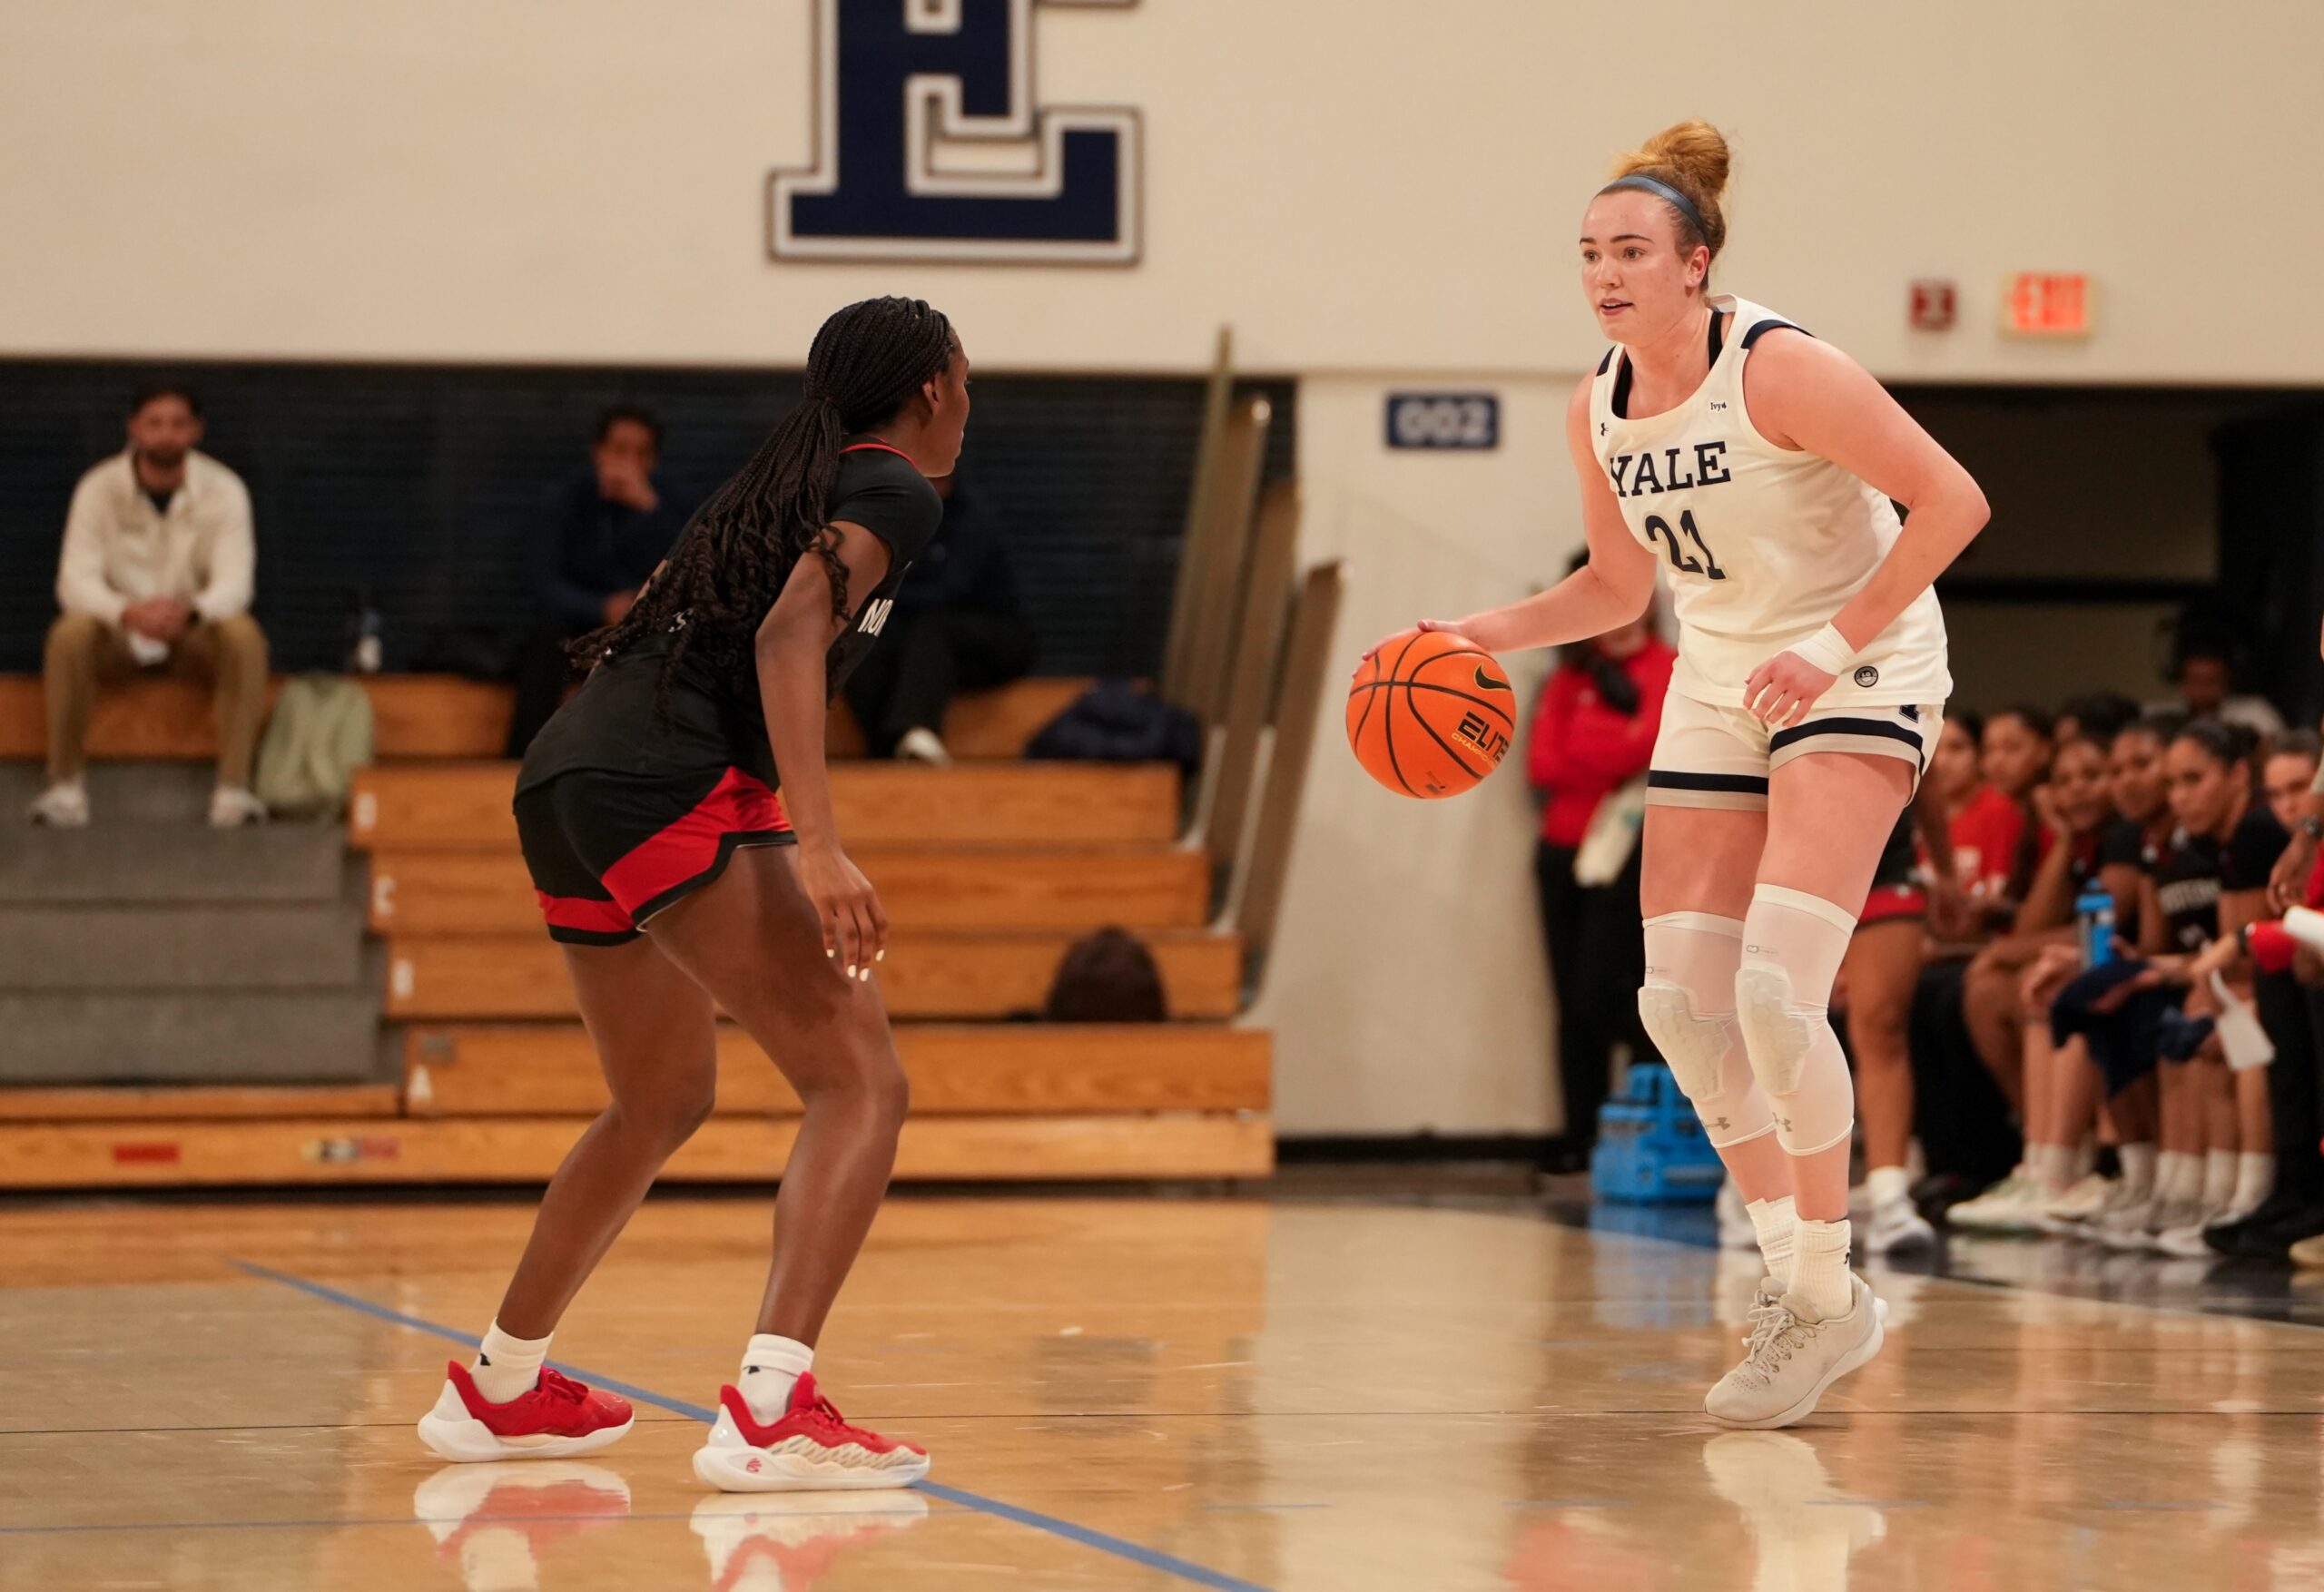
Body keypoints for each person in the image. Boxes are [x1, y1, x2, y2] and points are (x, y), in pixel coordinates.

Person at [1406, 120, 1986, 1429]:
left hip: (1862, 661)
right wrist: (1474, 635)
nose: (1606, 273)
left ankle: (1833, 1277)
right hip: (1722, 676)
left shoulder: (1784, 369)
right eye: (1590, 253)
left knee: (1782, 992)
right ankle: (1797, 1284)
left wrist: (1834, 641)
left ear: (1696, 264)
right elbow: (1619, 585)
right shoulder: (1598, 399)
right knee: (1680, 1001)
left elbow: (1955, 501)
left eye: (1631, 251)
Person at [413, 297, 968, 1491]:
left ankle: (501, 1382)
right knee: (860, 1077)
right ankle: (774, 1406)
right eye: (965, 379)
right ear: (932, 391)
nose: (968, 400)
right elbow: (787, 639)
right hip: (672, 776)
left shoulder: (772, 484)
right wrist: (816, 847)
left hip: (570, 771)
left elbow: (676, 618)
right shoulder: (896, 489)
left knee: (659, 1097)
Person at [34, 385, 269, 829]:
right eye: (154, 424)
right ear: (134, 429)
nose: (166, 435)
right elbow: (74, 581)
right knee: (70, 633)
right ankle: (64, 788)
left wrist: (191, 613)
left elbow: (236, 583)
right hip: (119, 633)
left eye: (178, 424)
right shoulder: (97, 488)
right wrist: (127, 612)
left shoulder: (225, 489)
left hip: (192, 633)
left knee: (243, 635)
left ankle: (233, 791)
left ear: (197, 431)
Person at [1523, 571, 1677, 1172]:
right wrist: (1617, 746)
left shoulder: (1666, 668)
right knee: (1569, 1001)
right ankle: (1578, 1133)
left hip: (1633, 853)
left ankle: (1641, 1126)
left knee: (1620, 991)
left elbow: (1659, 745)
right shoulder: (1570, 679)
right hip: (1564, 850)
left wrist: (1593, 748)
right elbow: (1543, 763)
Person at [505, 408, 693, 757]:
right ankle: (525, 759)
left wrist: (649, 510)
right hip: (579, 618)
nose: (628, 463)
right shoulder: (566, 499)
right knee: (545, 643)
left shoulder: (668, 503)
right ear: (598, 451)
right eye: (620, 450)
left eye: (641, 453)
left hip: (646, 621)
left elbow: (690, 571)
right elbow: (544, 580)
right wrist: (601, 606)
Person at [839, 471, 1036, 762]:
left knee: (930, 629)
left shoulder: (969, 518)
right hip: (921, 639)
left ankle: (917, 730)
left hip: (996, 636)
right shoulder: (894, 520)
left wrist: (892, 589)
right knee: (861, 639)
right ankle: (890, 746)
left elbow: (949, 590)